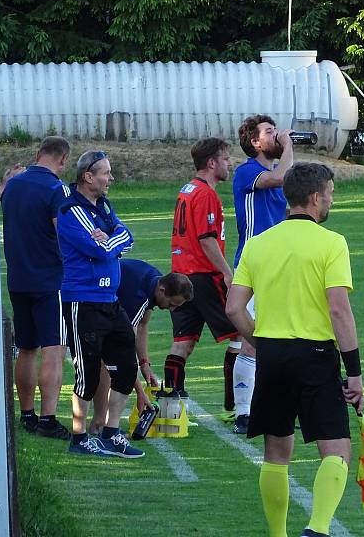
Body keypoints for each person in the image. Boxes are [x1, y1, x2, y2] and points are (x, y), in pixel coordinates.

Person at [226, 162, 364, 537]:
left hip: (271, 359)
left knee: (276, 453)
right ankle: (317, 529)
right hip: (315, 358)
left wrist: (260, 342)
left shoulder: (257, 245)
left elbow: (233, 308)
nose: (332, 200)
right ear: (316, 197)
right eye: (331, 194)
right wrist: (354, 371)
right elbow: (338, 309)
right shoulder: (332, 243)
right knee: (336, 449)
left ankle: (278, 534)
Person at [58, 150, 143, 458]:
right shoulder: (71, 210)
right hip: (84, 301)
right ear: (88, 177)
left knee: (126, 367)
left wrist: (110, 237)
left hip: (110, 300)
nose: (111, 178)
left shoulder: (104, 208)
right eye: (106, 173)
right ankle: (79, 438)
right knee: (89, 373)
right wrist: (110, 240)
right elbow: (100, 250)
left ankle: (111, 432)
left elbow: (125, 237)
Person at [1, 136, 72, 440]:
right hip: (49, 280)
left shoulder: (13, 185)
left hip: (18, 277)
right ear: (63, 160)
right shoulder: (58, 189)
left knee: (26, 348)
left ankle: (26, 413)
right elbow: (64, 232)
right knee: (54, 350)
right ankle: (48, 418)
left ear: (38, 154)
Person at [164, 138, 239, 413]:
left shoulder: (187, 189)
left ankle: (171, 410)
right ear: (212, 163)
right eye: (226, 158)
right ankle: (236, 408)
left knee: (183, 342)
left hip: (181, 274)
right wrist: (227, 273)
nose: (229, 163)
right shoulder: (206, 194)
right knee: (241, 336)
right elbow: (207, 240)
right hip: (203, 276)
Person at [231, 115, 294, 434]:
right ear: (255, 143)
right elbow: (282, 178)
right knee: (251, 342)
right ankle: (243, 413)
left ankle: (271, 407)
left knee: (281, 337)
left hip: (280, 264)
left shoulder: (273, 171)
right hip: (253, 263)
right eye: (270, 132)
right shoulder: (247, 172)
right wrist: (289, 148)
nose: (277, 136)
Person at [85, 258, 194, 435]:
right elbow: (124, 347)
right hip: (88, 301)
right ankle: (99, 423)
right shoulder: (137, 296)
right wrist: (140, 392)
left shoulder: (156, 281)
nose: (171, 309)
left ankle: (102, 423)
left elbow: (143, 324)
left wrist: (145, 363)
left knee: (111, 363)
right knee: (105, 365)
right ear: (162, 290)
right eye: (172, 303)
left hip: (102, 300)